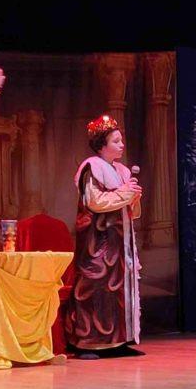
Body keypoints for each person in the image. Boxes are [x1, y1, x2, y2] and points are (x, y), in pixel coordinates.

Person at [66, 115, 144, 359]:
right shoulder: (92, 166)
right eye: (116, 141)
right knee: (96, 286)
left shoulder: (121, 170)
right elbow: (95, 201)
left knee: (120, 288)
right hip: (99, 241)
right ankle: (89, 342)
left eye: (121, 140)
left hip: (119, 241)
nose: (122, 145)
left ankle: (118, 340)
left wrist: (134, 198)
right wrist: (125, 194)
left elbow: (131, 211)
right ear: (102, 144)